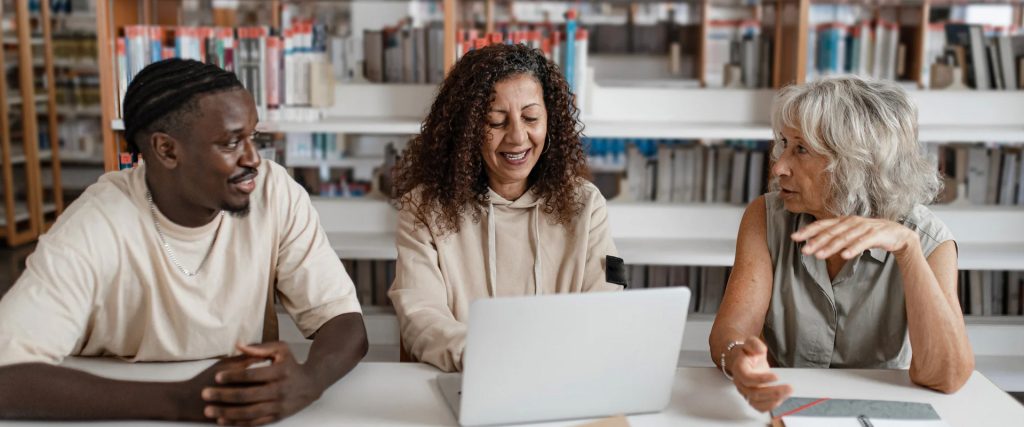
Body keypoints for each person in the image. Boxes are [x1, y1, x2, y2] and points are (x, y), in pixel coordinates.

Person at [0, 59, 367, 425]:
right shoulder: (96, 223)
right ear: (167, 150)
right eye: (231, 142)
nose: (253, 159)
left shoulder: (274, 192)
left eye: (253, 137)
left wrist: (310, 380)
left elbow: (344, 320)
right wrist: (179, 401)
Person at [710, 76, 975, 412]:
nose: (778, 166)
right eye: (784, 144)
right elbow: (730, 332)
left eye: (801, 149)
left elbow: (947, 376)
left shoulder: (928, 239)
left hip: (881, 411)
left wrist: (908, 252)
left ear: (856, 163)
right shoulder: (766, 217)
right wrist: (739, 361)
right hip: (786, 407)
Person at [388, 43, 626, 372]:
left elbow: (605, 307)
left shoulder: (585, 205)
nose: (517, 137)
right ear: (468, 129)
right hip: (468, 378)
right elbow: (421, 317)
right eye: (496, 122)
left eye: (530, 118)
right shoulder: (425, 208)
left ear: (550, 122)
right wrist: (486, 358)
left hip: (561, 379)